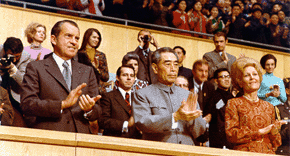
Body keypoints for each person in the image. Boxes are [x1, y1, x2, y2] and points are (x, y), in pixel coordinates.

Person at [21, 20, 102, 133]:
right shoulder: (36, 67)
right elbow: (28, 104)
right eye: (68, 36)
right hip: (49, 136)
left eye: (77, 38)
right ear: (54, 39)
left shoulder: (87, 71)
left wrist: (89, 110)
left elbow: (97, 110)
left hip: (81, 139)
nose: (74, 42)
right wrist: (62, 104)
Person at [133, 47, 206, 145]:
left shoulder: (187, 95)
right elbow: (143, 123)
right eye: (167, 64)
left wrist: (193, 118)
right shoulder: (143, 94)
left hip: (186, 150)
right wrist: (174, 117)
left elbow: (200, 131)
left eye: (176, 64)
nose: (173, 69)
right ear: (155, 68)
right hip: (159, 150)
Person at [225, 57, 285, 154]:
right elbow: (231, 135)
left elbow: (277, 143)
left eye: (255, 74)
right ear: (240, 82)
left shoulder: (269, 106)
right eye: (247, 75)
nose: (252, 77)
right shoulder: (233, 103)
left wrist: (274, 131)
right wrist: (259, 132)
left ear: (259, 79)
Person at [99, 65, 142, 139]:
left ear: (134, 79)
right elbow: (103, 121)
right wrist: (126, 124)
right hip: (114, 141)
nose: (129, 78)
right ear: (117, 77)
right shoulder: (108, 96)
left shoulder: (140, 98)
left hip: (137, 142)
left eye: (132, 76)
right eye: (125, 75)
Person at [0, 37, 31, 127]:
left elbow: (23, 82)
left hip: (15, 93)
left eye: (18, 56)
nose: (15, 59)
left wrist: (12, 68)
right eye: (12, 56)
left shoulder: (26, 57)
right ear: (5, 51)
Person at [207, 68, 233, 149]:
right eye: (223, 77)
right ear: (216, 81)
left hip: (231, 139)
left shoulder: (233, 98)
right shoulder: (213, 97)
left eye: (228, 76)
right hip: (217, 141)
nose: (226, 79)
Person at [275, 81, 290, 155]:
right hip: (286, 149)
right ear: (287, 91)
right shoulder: (279, 109)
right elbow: (274, 136)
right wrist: (288, 131)